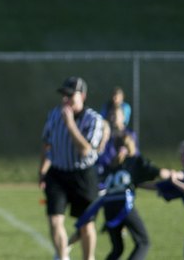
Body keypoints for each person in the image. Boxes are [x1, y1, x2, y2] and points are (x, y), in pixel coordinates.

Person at [69, 132, 170, 260]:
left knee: (117, 249)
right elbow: (157, 172)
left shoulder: (112, 164)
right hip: (124, 206)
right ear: (132, 144)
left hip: (109, 208)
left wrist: (158, 187)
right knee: (144, 242)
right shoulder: (134, 161)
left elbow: (136, 183)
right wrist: (172, 174)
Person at [39, 76, 105, 260]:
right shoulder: (54, 114)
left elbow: (85, 150)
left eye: (70, 96)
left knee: (86, 224)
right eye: (63, 96)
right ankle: (62, 256)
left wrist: (70, 124)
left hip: (82, 175)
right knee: (54, 220)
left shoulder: (93, 120)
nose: (65, 100)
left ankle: (88, 257)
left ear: (82, 96)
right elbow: (46, 144)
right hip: (58, 173)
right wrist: (42, 171)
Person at [96, 106, 139, 182]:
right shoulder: (105, 133)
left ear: (123, 117)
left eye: (115, 115)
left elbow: (135, 154)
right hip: (103, 170)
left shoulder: (130, 134)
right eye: (110, 115)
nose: (112, 118)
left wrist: (125, 155)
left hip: (122, 172)